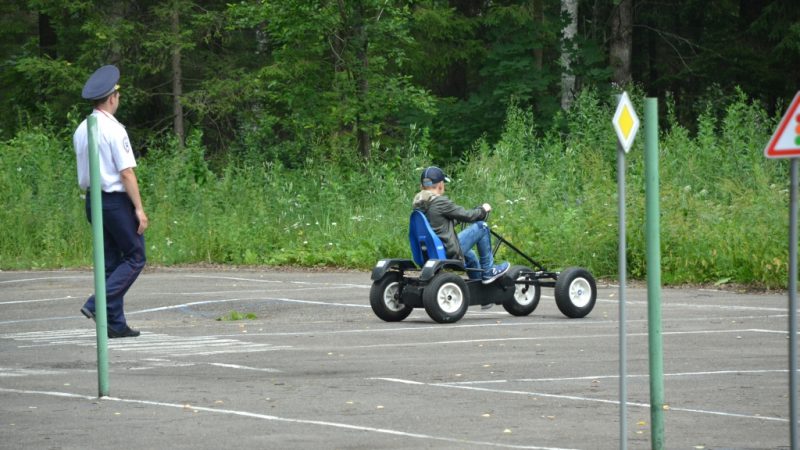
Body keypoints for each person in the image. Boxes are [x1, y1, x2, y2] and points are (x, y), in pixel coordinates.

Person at [73, 65, 148, 339]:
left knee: (111, 262)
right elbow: (126, 172)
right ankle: (98, 304)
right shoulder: (114, 130)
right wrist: (139, 208)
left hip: (93, 200)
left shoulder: (82, 128)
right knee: (135, 256)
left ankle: (114, 324)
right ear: (112, 97)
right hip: (115, 201)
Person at [412, 166, 510, 285]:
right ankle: (488, 270)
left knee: (471, 255)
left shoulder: (420, 204)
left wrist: (457, 220)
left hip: (431, 251)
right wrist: (483, 210)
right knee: (482, 227)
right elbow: (468, 216)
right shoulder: (439, 201)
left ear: (422, 186)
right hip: (447, 251)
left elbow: (438, 224)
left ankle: (479, 286)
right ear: (440, 185)